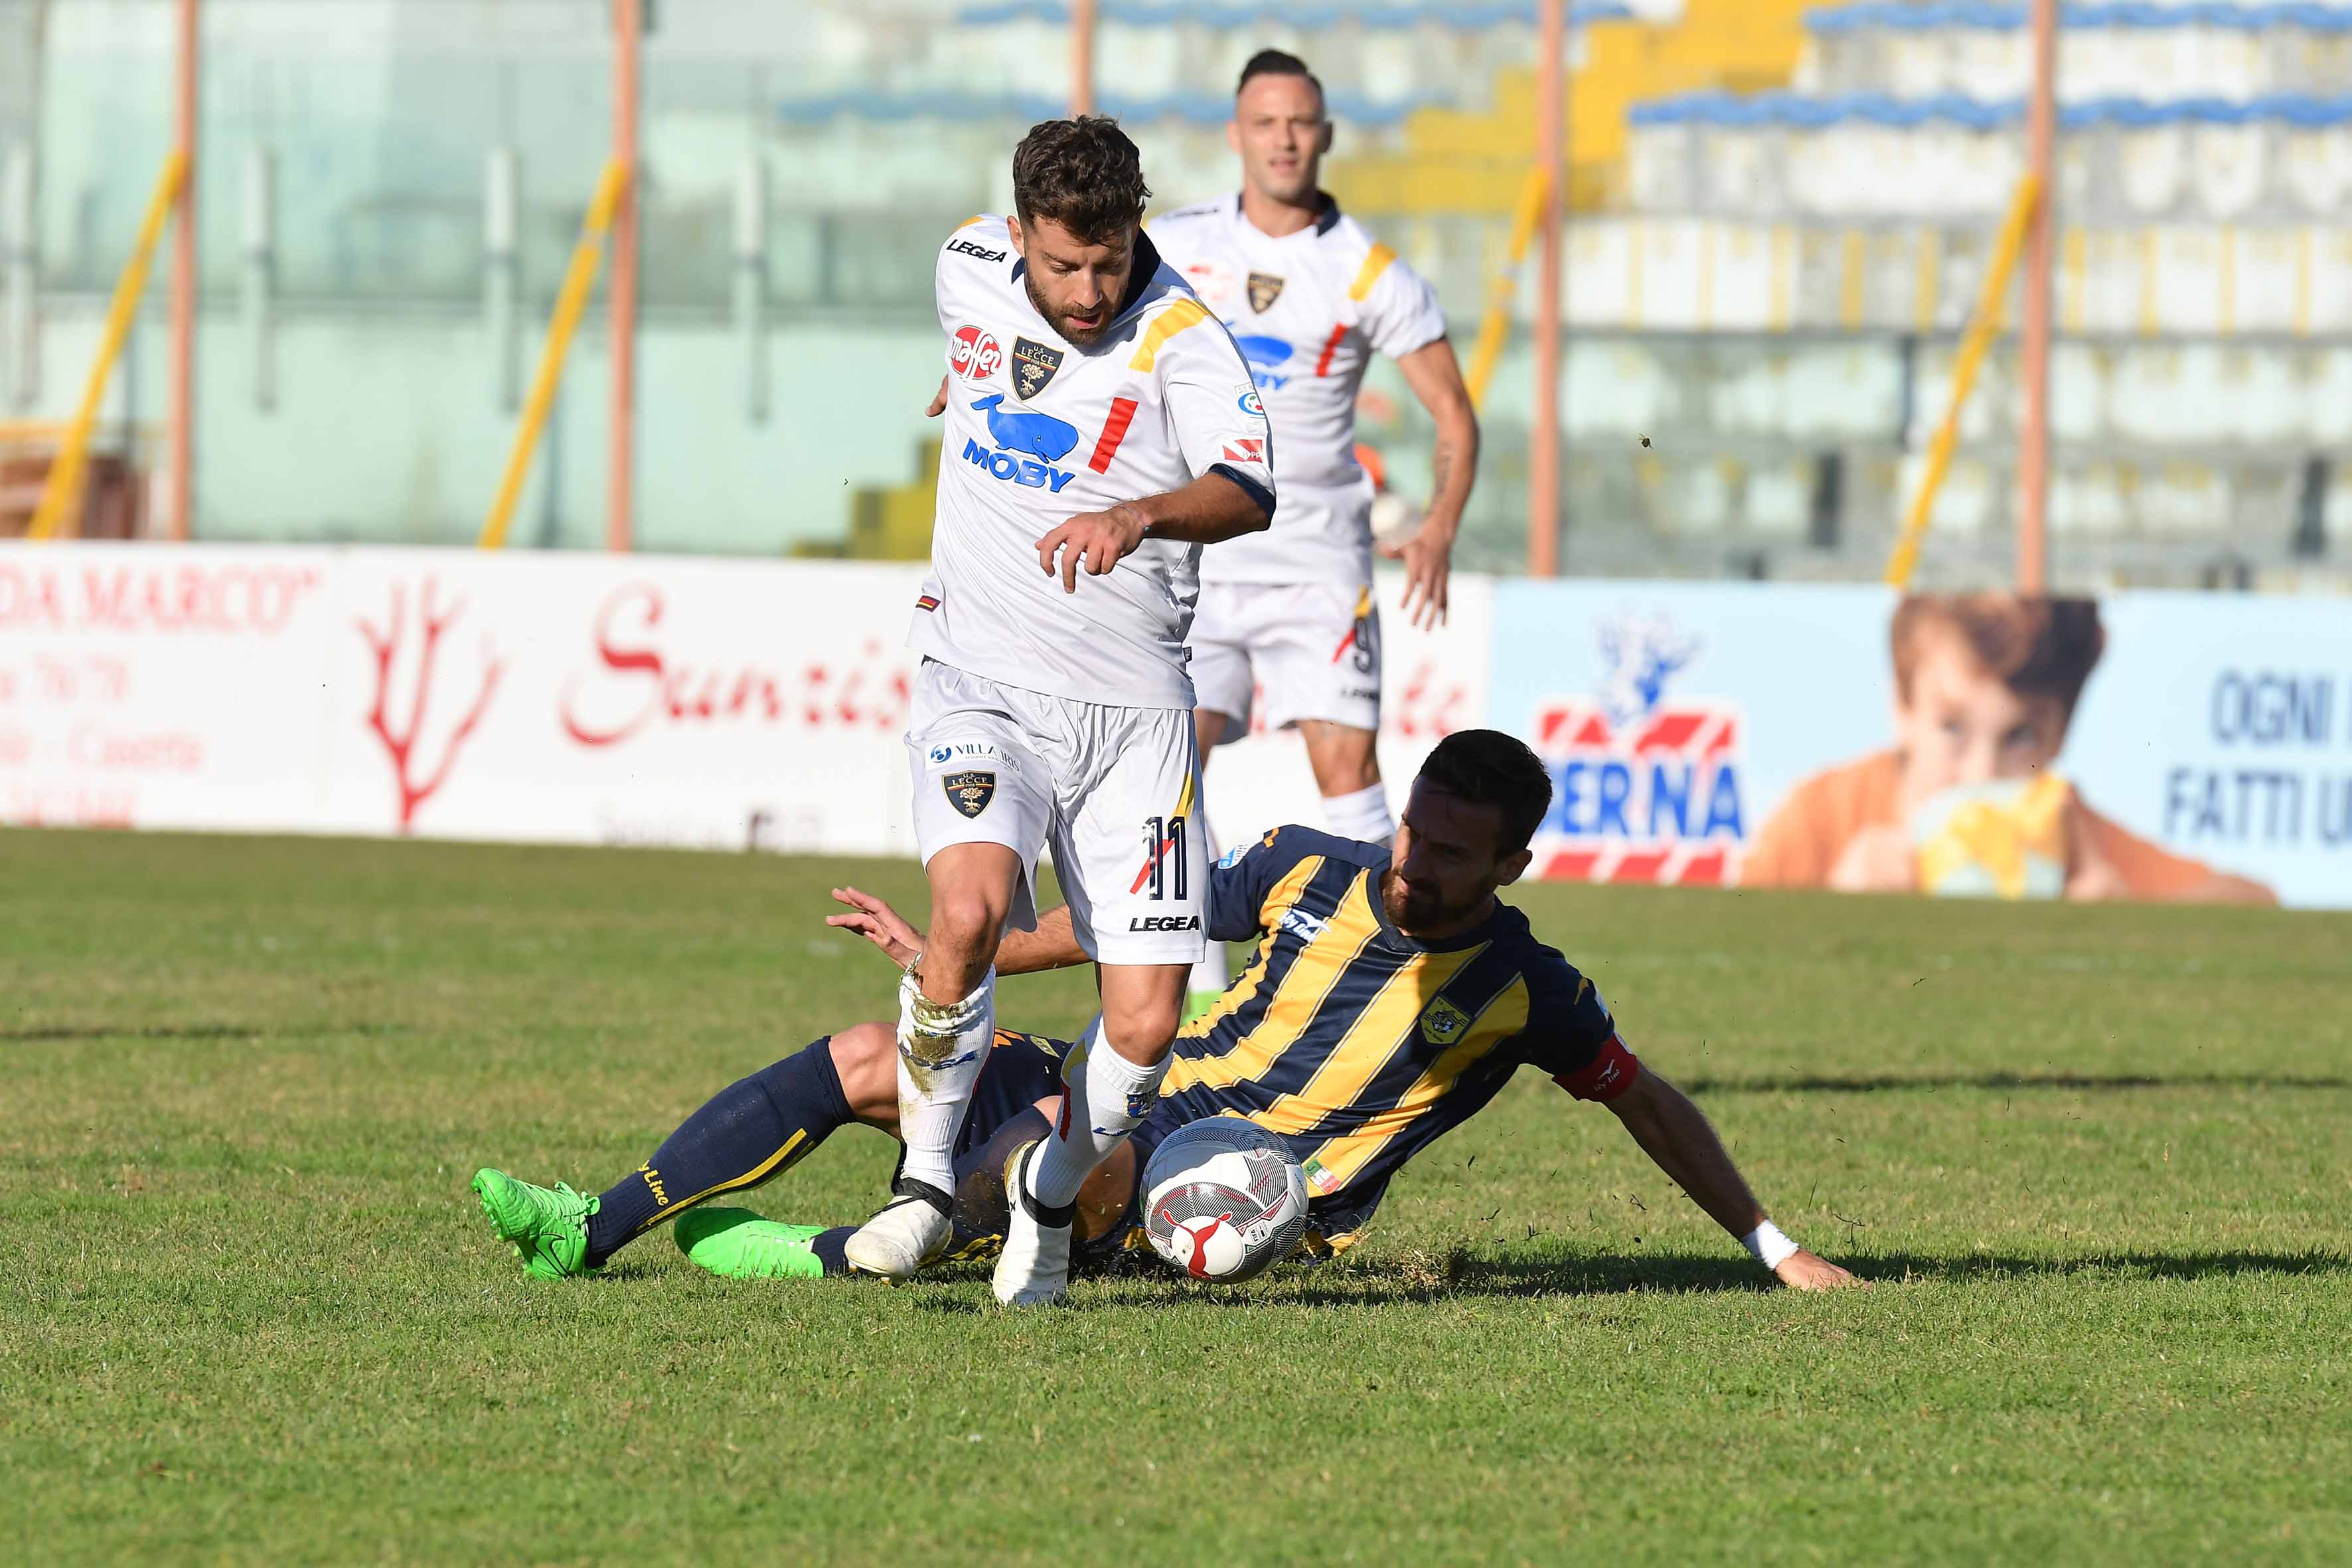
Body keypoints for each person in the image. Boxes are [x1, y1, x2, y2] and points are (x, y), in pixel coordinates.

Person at [469, 731, 1857, 1296]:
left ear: (1511, 864)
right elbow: (1136, 923)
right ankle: (587, 1226)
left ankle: (834, 1253)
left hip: (1229, 1173)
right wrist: (969, 949)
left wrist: (1772, 1245)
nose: (1413, 865)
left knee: (1062, 1142)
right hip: (1133, 1073)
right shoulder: (1310, 864)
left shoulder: (1523, 988)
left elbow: (1644, 1099)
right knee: (865, 1052)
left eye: (1448, 854)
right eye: (1413, 833)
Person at [862, 116, 1277, 1306]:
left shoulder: (1185, 340)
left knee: (1142, 1026)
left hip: (1135, 716)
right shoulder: (965, 260)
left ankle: (1047, 1195)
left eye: (1108, 262)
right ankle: (925, 1182)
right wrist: (970, 375)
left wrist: (1138, 514)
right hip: (978, 678)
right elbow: (987, 341)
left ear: (1135, 229)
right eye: (1061, 266)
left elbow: (1248, 488)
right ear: (1017, 235)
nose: (1088, 292)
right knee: (966, 909)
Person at [1148, 50, 1482, 1020]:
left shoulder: (1367, 270)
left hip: (1319, 563)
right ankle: (1196, 1003)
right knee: (1168, 773)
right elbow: (1075, 308)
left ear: (1325, 134)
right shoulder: (1175, 242)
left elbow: (1453, 416)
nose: (1284, 139)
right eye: (1266, 122)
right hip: (1199, 554)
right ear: (1236, 134)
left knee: (1348, 779)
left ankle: (1386, 989)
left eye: (1300, 122)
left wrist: (1437, 526)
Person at [1745, 593, 2276, 903]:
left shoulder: (2070, 838)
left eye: (2019, 736)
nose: (1981, 773)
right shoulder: (1823, 819)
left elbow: (2253, 902)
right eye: (1952, 728)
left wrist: (2130, 924)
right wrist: (1826, 910)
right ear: (1900, 708)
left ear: (2061, 733)